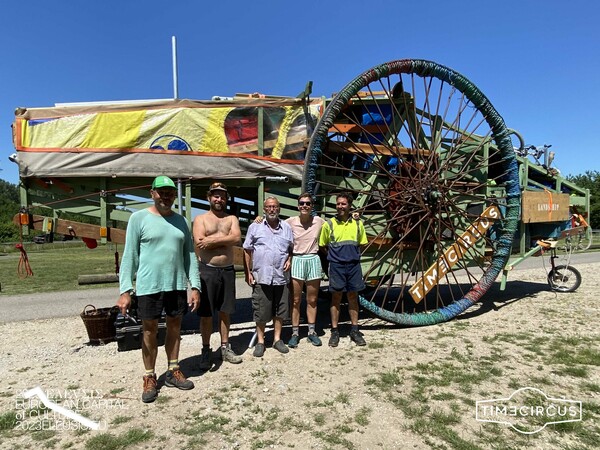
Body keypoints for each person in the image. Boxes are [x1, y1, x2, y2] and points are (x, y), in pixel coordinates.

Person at [117, 175, 201, 403]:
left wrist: (195, 286)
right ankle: (150, 376)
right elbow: (130, 256)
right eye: (161, 192)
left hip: (174, 285)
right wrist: (125, 290)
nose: (165, 196)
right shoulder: (138, 219)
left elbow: (190, 256)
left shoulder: (181, 221)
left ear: (175, 195)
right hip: (148, 286)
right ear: (152, 193)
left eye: (170, 192)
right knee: (149, 331)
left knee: (175, 327)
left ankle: (174, 370)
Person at [192, 182, 242, 369]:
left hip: (227, 270)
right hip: (207, 270)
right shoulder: (200, 219)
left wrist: (212, 240)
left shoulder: (231, 219)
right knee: (206, 314)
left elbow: (236, 238)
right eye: (215, 195)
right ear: (209, 197)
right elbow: (199, 241)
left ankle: (225, 347)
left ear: (226, 199)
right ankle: (206, 350)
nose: (218, 199)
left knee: (225, 311)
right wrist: (224, 240)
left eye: (222, 196)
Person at [243, 196, 293, 357]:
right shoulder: (255, 227)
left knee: (280, 310)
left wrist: (290, 259)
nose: (272, 209)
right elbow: (247, 249)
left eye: (275, 207)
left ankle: (277, 339)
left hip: (281, 275)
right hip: (262, 276)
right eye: (269, 207)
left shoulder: (286, 227)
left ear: (279, 209)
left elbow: (291, 249)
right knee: (261, 310)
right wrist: (248, 272)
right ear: (264, 209)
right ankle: (261, 341)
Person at [319, 192, 368, 347]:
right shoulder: (329, 224)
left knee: (353, 297)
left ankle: (354, 330)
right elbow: (322, 245)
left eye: (343, 204)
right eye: (338, 203)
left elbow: (362, 243)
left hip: (353, 265)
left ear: (349, 206)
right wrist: (335, 257)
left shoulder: (358, 223)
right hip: (337, 265)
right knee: (336, 297)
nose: (340, 206)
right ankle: (335, 331)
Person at [285, 193, 325, 348]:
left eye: (307, 203)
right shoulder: (290, 222)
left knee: (312, 300)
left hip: (313, 258)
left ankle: (311, 332)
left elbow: (334, 226)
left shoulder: (319, 222)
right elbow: (274, 225)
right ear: (298, 206)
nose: (304, 206)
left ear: (312, 206)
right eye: (302, 203)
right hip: (297, 259)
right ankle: (295, 333)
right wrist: (259, 219)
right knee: (295, 300)